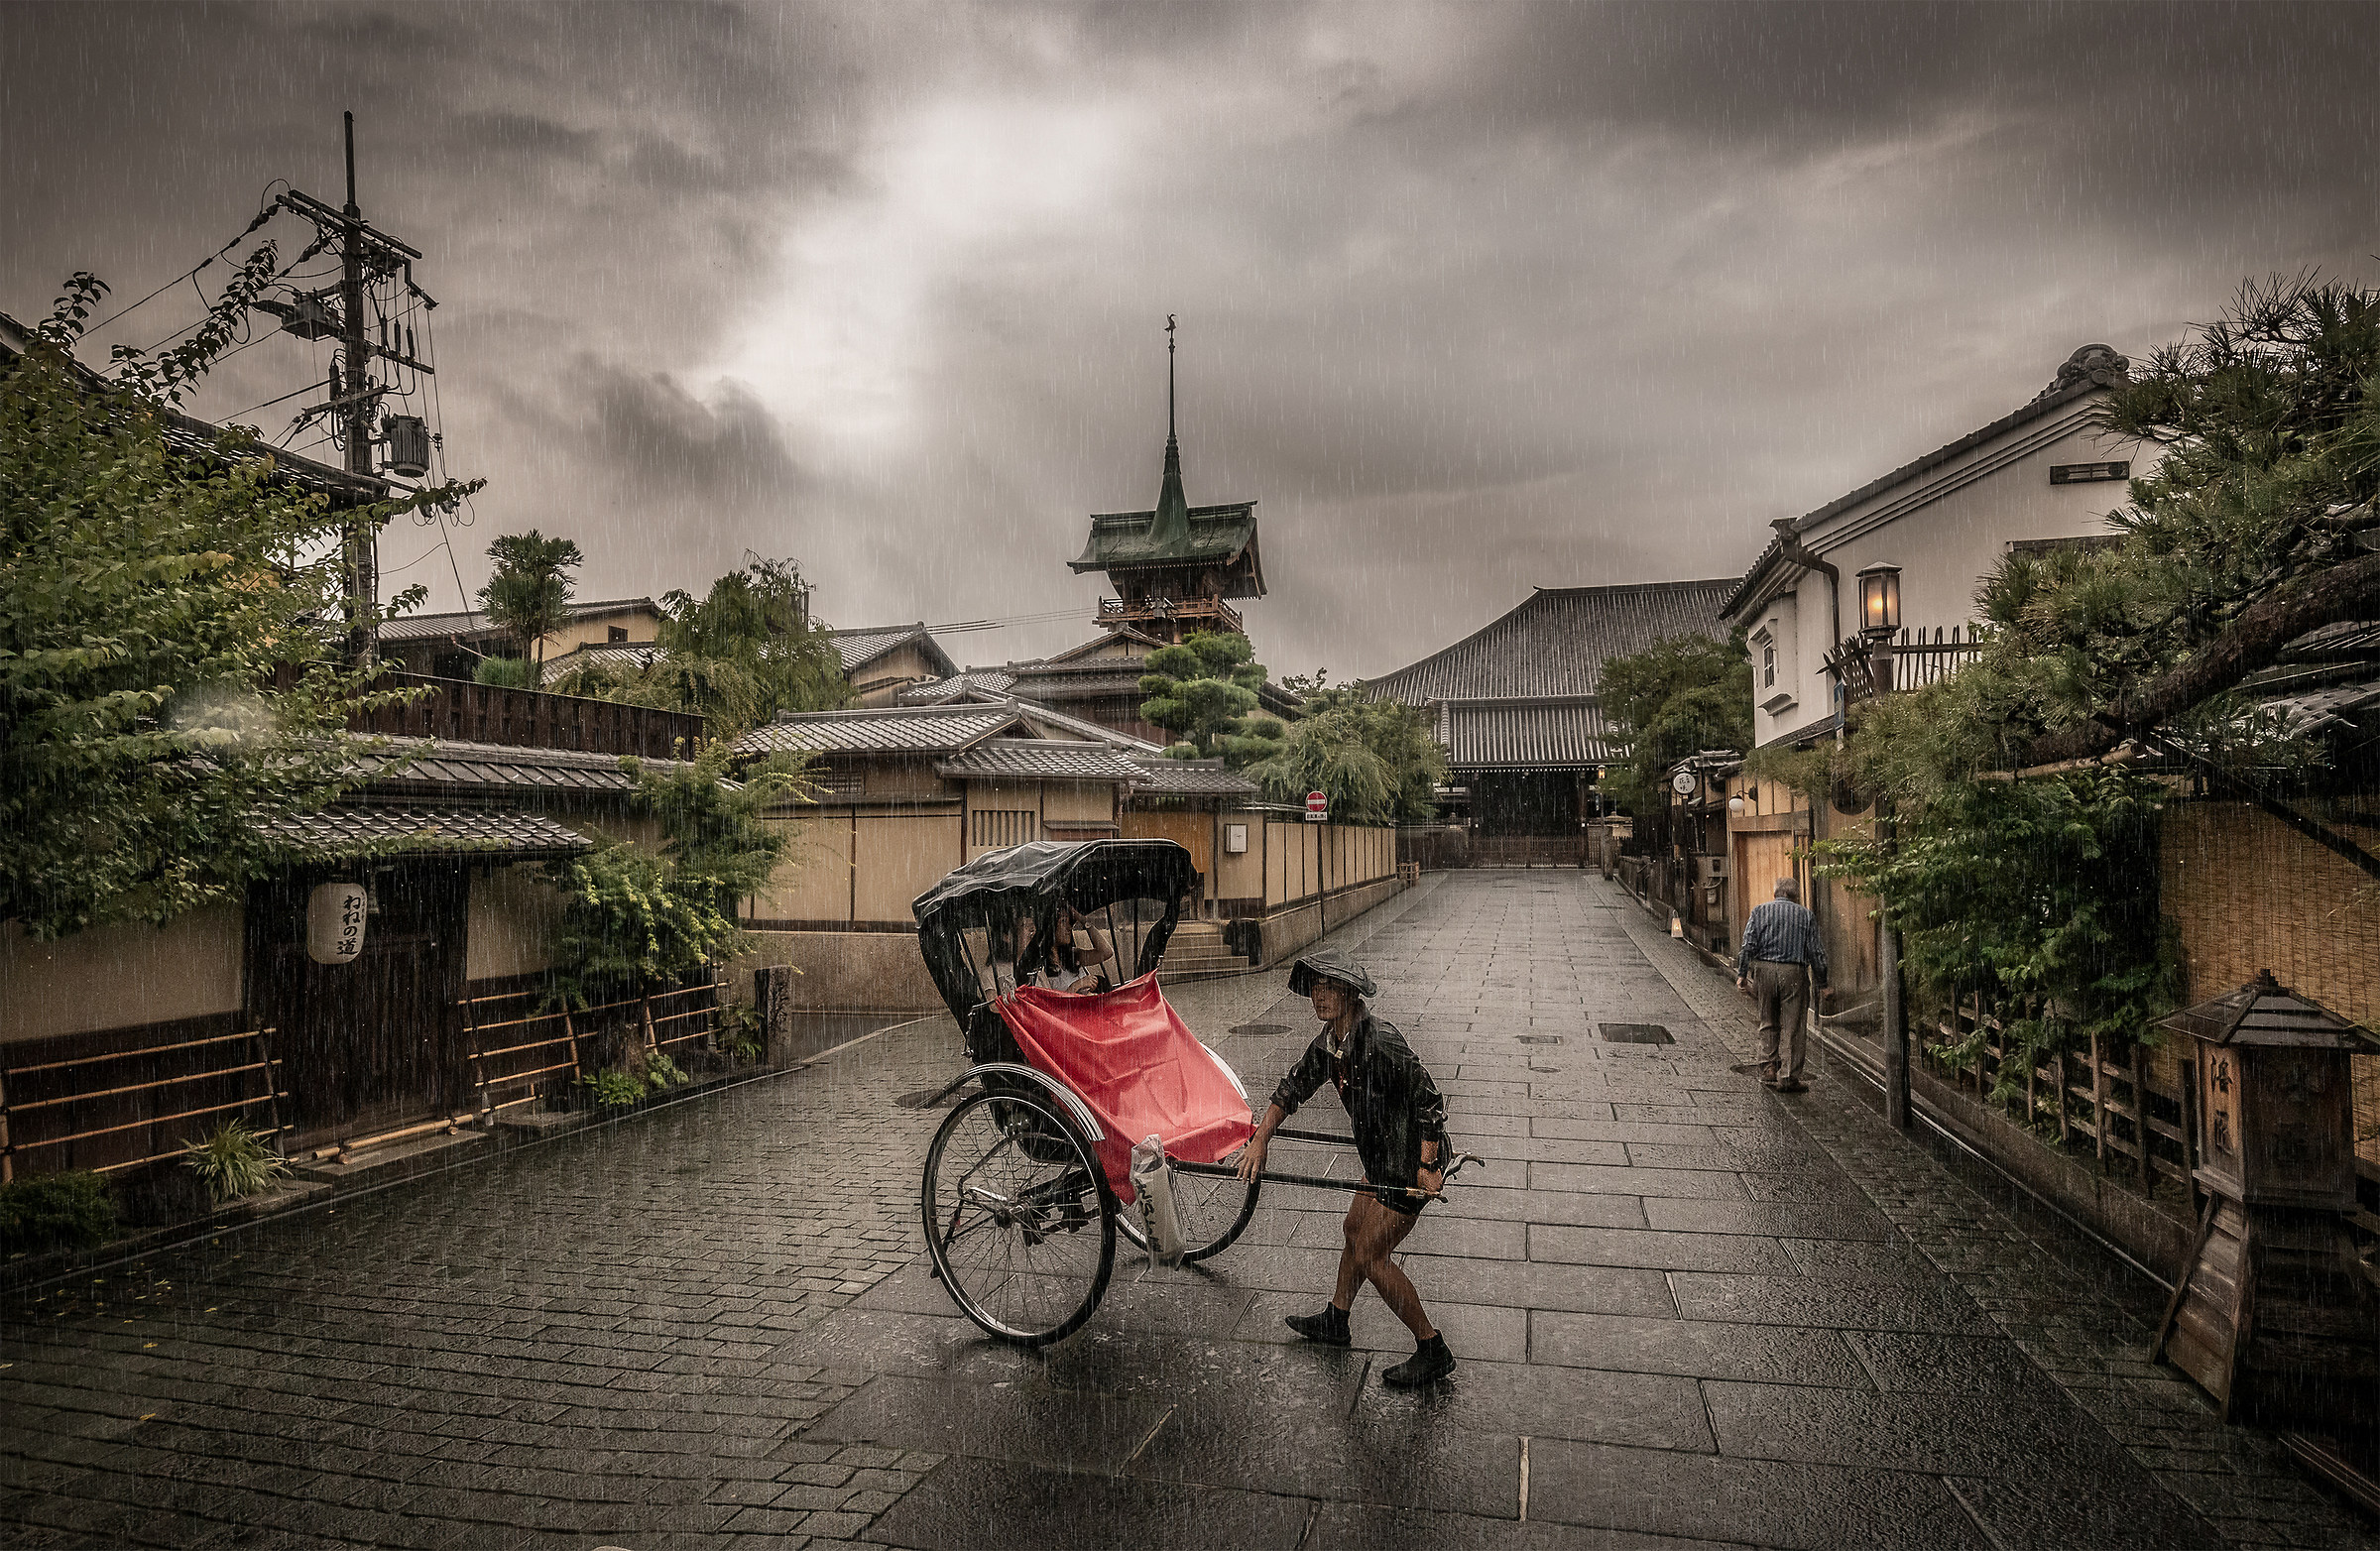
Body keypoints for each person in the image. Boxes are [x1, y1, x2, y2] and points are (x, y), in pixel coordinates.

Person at [1237, 947, 1455, 1388]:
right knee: (1354, 1229)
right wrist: (1262, 1137)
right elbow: (1291, 1088)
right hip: (1379, 1158)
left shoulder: (1381, 1042)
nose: (1320, 995)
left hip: (1409, 1162)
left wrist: (1428, 1164)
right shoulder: (1330, 1045)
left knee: (1373, 1254)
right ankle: (1337, 1319)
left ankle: (1432, 1348)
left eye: (1330, 987)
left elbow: (1428, 1099)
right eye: (1316, 986)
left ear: (1352, 995)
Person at [1736, 877, 1829, 1093]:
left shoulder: (1759, 911)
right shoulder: (1806, 916)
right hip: (1793, 973)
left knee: (1768, 1020)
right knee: (1794, 1027)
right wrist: (1822, 982)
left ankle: (1768, 1067)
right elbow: (1816, 952)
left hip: (1764, 970)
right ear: (1796, 896)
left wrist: (1742, 973)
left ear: (1775, 893)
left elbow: (1748, 944)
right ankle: (1788, 1077)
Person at [1036, 903, 1115, 994]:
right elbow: (1051, 1005)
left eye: (1069, 922)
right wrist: (1076, 986)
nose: (1069, 927)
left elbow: (1106, 952)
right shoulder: (1041, 968)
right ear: (1051, 927)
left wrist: (1083, 920)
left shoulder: (1073, 955)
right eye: (1063, 921)